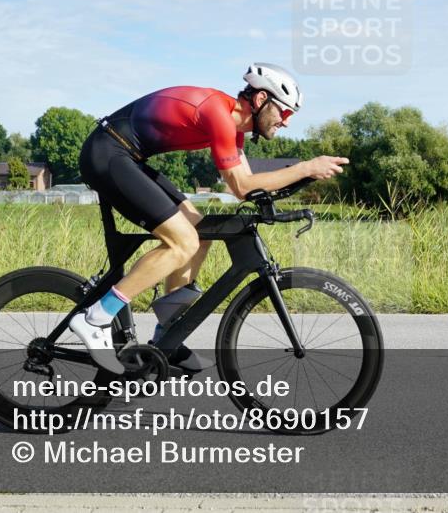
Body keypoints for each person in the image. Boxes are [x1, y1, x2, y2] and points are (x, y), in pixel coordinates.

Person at [71, 63, 349, 373]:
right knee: (182, 242)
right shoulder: (218, 113)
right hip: (107, 154)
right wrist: (305, 168)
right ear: (259, 101)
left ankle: (167, 337)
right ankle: (95, 317)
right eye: (284, 112)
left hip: (127, 157)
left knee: (199, 234)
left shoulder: (234, 132)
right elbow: (242, 185)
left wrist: (301, 178)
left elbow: (244, 189)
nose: (286, 122)